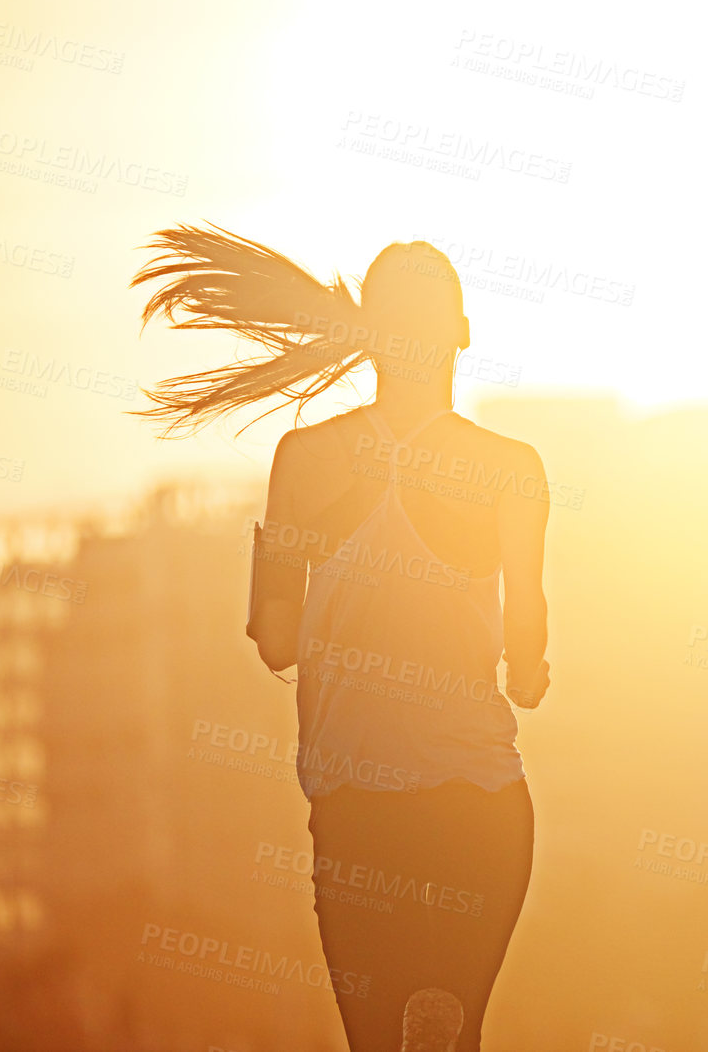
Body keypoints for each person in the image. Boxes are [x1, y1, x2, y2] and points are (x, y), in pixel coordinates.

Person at [132, 226, 550, 1052]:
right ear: (461, 332)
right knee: (456, 1033)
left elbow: (277, 641)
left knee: (372, 1038)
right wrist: (527, 674)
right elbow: (526, 639)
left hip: (359, 810)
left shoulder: (305, 456)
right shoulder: (511, 466)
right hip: (482, 806)